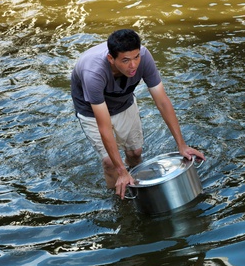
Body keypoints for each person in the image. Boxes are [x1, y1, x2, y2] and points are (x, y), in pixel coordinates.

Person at [70, 29, 205, 199]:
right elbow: (104, 127)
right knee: (110, 163)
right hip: (91, 110)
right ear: (111, 58)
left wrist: (182, 145)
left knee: (135, 153)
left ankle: (139, 188)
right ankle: (120, 200)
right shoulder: (94, 73)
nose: (133, 65)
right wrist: (121, 170)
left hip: (123, 101)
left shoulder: (144, 57)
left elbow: (162, 101)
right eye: (126, 60)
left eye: (136, 57)